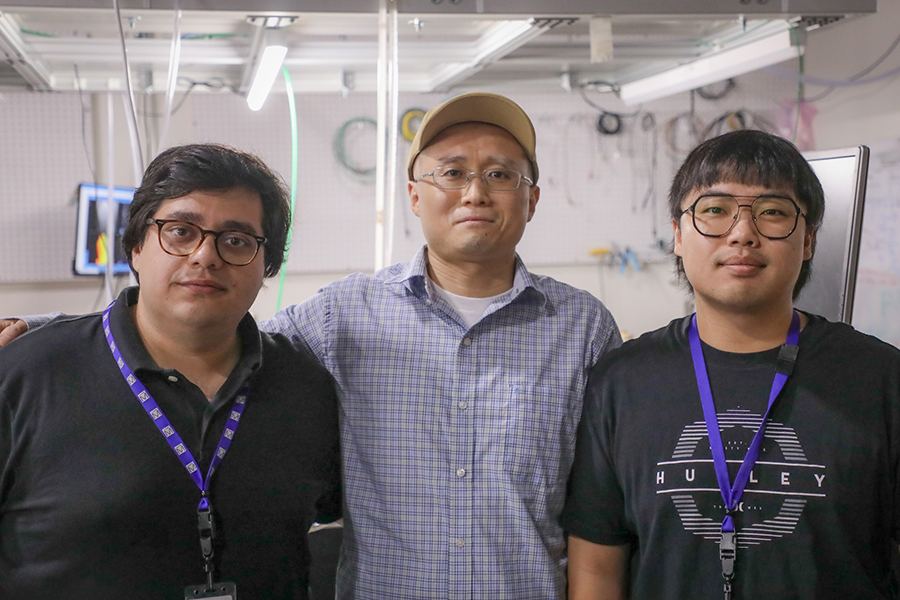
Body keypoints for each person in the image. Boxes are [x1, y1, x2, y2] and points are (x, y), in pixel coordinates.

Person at [1, 92, 622, 599]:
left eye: (501, 175)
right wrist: (40, 329)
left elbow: (602, 509)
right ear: (414, 193)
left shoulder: (584, 327)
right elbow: (198, 324)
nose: (475, 191)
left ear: (532, 198)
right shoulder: (342, 314)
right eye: (452, 172)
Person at [560, 129, 900, 599]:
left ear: (807, 241)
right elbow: (597, 565)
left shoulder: (881, 379)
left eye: (772, 213)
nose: (743, 233)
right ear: (678, 235)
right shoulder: (623, 380)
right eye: (715, 211)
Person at [0, 144, 342, 599]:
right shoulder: (26, 375)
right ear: (136, 246)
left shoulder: (306, 386)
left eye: (236, 240)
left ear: (267, 267)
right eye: (180, 231)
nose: (205, 255)